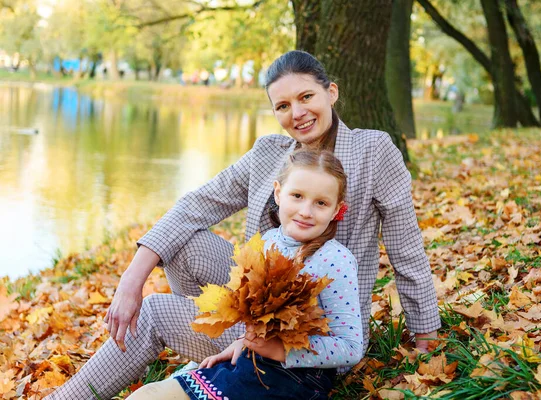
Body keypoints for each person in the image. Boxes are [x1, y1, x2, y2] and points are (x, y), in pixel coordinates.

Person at [46, 50, 440, 400]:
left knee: (154, 313)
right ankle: (214, 352)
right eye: (282, 105)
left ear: (331, 93)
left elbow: (406, 249)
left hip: (315, 335)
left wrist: (426, 338)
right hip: (255, 307)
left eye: (306, 97)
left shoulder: (373, 150)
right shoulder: (269, 153)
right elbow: (194, 206)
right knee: (185, 243)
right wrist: (132, 278)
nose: (297, 113)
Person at [127, 149, 363, 400]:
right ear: (278, 193)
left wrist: (281, 351)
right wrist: (238, 344)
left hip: (295, 378)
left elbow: (350, 348)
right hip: (251, 360)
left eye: (321, 203)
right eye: (297, 196)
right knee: (147, 394)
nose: (306, 211)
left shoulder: (336, 260)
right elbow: (258, 319)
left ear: (337, 209)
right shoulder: (267, 242)